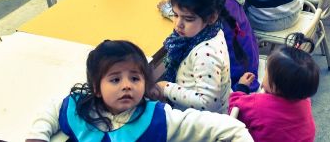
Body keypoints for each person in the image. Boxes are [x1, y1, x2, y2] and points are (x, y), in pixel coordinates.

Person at [25, 40, 253, 142]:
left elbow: (228, 127)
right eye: (115, 79)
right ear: (95, 87)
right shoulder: (79, 108)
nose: (127, 85)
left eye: (135, 78)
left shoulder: (159, 118)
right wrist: (38, 136)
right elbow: (53, 108)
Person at [157, 0, 232, 113]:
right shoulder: (211, 30)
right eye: (175, 14)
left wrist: (167, 88)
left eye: (188, 19)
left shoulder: (206, 54)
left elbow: (208, 104)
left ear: (211, 17)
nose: (178, 24)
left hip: (200, 126)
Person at [229, 36, 320, 142]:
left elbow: (234, 107)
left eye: (267, 71)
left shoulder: (257, 104)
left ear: (275, 85)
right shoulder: (305, 100)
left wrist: (242, 88)